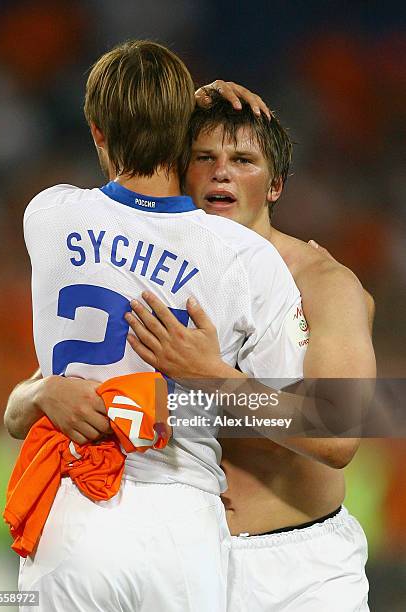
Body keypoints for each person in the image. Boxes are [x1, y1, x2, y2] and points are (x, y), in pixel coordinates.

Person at [6, 43, 308, 611]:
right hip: (180, 518)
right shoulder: (244, 257)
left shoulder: (48, 214)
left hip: (70, 509)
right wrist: (211, 378)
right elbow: (304, 417)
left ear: (97, 133)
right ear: (182, 134)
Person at [122, 91, 376, 611]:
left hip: (300, 572)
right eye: (204, 158)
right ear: (179, 171)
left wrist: (212, 375)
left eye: (242, 161)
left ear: (275, 185)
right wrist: (36, 397)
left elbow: (339, 431)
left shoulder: (323, 283)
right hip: (180, 559)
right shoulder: (142, 270)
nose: (221, 174)